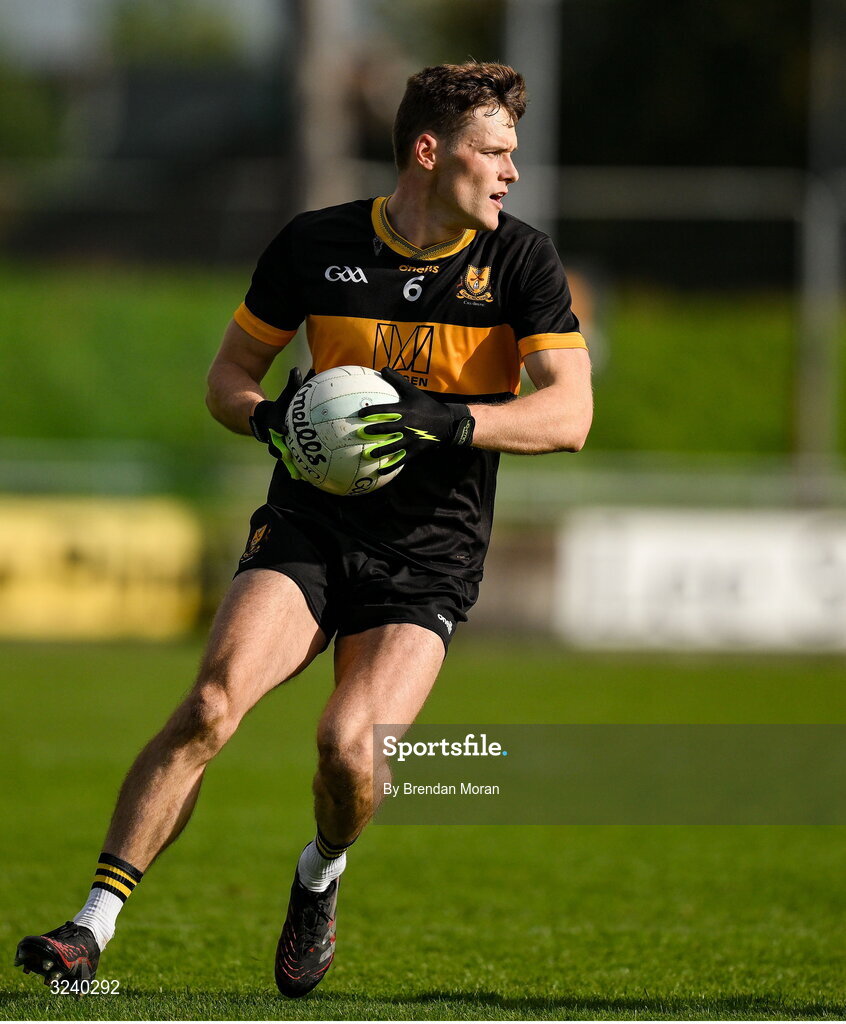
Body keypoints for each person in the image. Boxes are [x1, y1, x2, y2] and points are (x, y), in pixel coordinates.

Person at [15, 61, 592, 997]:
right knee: (209, 705)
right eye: (493, 152)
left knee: (346, 746)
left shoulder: (520, 261)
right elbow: (226, 379)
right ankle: (90, 931)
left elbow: (570, 416)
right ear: (428, 150)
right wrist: (269, 420)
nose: (510, 172)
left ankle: (321, 870)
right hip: (309, 524)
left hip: (429, 552)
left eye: (513, 155)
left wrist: (449, 419)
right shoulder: (316, 246)